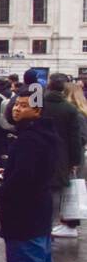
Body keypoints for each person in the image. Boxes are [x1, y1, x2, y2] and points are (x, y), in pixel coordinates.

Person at [0, 85, 61, 262]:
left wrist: (5, 187)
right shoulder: (45, 135)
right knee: (41, 260)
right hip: (40, 207)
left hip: (24, 211)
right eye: (17, 104)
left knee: (26, 261)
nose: (17, 109)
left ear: (38, 110)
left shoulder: (29, 140)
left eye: (24, 106)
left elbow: (23, 177)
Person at [43, 75, 84, 238]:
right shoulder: (69, 109)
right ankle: (50, 224)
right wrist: (74, 160)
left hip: (40, 152)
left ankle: (50, 224)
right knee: (55, 192)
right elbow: (75, 139)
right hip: (61, 156)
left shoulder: (39, 104)